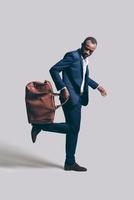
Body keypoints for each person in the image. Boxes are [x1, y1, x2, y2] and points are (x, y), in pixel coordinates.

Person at [31, 37, 107, 172]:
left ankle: (69, 162)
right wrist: (63, 88)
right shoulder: (72, 56)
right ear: (82, 45)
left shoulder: (84, 60)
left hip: (79, 98)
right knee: (73, 128)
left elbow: (83, 77)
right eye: (87, 49)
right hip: (69, 98)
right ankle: (40, 126)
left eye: (92, 51)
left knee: (73, 129)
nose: (88, 53)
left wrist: (97, 86)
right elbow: (54, 70)